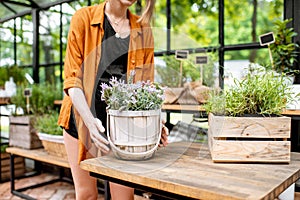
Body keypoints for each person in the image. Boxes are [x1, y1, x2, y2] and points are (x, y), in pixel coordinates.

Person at [57, 0, 168, 199]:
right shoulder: (83, 18)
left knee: (124, 197)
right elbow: (72, 80)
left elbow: (146, 85)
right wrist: (90, 122)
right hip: (81, 120)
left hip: (123, 127)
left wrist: (156, 121)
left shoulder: (143, 29)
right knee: (86, 195)